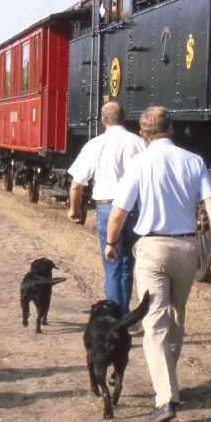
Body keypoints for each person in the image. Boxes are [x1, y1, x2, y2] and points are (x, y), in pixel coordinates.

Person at [107, 105, 211, 422]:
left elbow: (119, 212)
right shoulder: (194, 161)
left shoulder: (139, 163)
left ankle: (164, 399)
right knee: (175, 317)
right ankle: (170, 388)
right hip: (187, 248)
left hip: (152, 247)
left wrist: (110, 242)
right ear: (171, 128)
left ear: (142, 134)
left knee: (154, 323)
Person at [67, 101, 147, 310]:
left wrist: (75, 210)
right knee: (127, 263)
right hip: (132, 209)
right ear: (124, 118)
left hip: (106, 208)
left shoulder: (95, 145)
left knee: (112, 265)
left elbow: (76, 186)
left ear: (103, 121)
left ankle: (114, 314)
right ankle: (123, 313)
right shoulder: (140, 143)